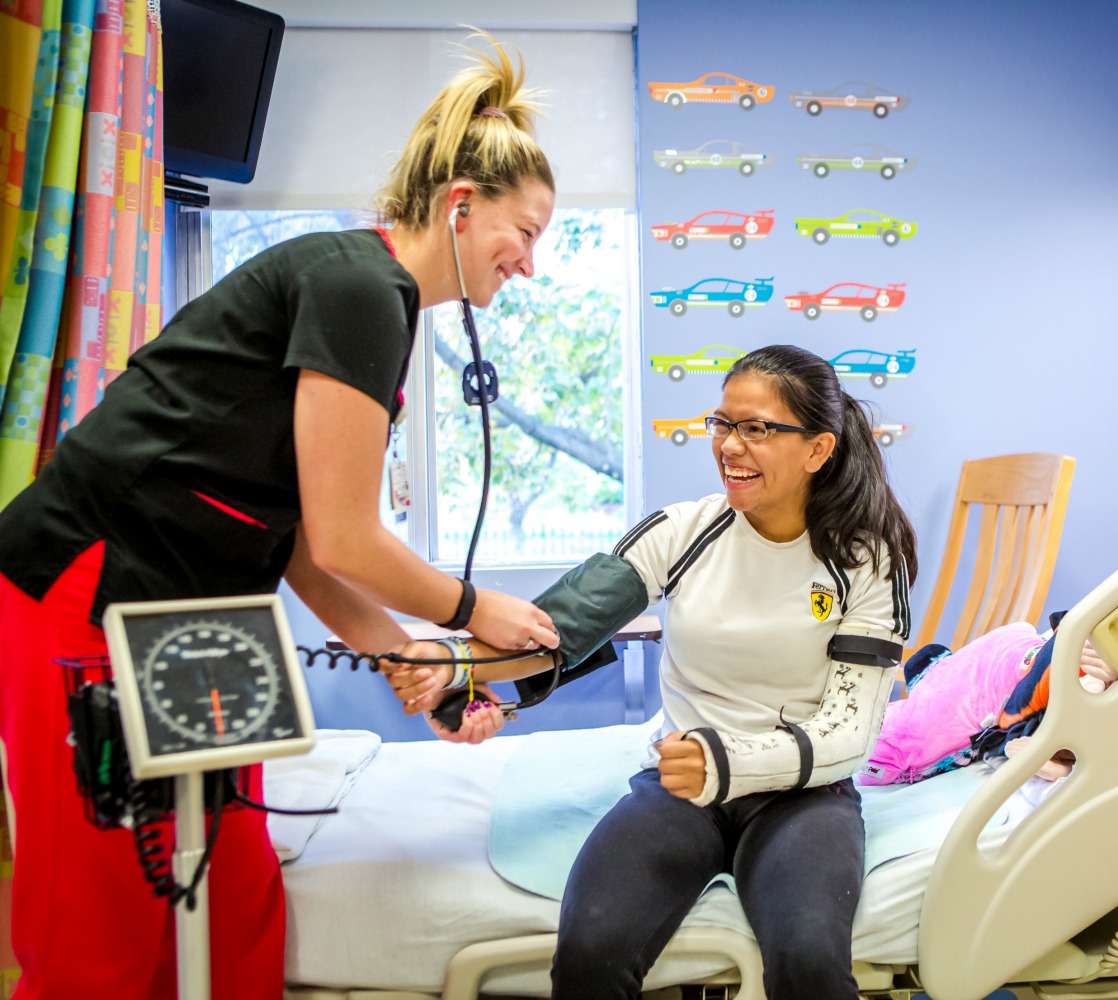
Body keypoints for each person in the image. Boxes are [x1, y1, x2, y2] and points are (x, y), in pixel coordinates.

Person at [0, 34, 561, 1000]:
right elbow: (345, 539)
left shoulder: (379, 306)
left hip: (203, 608)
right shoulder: (359, 288)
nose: (533, 264)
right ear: (460, 205)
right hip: (92, 583)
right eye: (527, 232)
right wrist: (474, 614)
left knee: (232, 898)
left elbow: (304, 543)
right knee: (104, 919)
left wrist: (418, 667)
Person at [532, 345, 916, 1000]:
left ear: (818, 450)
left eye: (757, 429)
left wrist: (725, 761)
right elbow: (553, 629)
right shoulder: (683, 532)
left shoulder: (865, 560)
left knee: (808, 959)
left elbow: (851, 734)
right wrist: (465, 677)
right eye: (723, 423)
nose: (729, 446)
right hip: (683, 786)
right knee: (590, 948)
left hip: (805, 796)